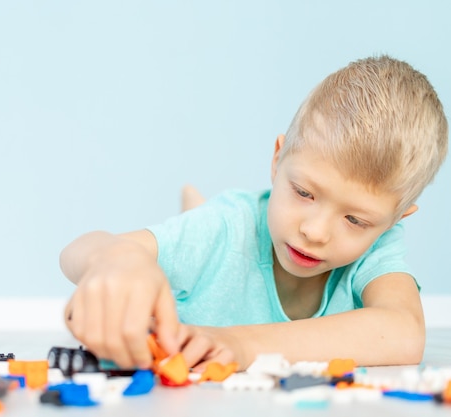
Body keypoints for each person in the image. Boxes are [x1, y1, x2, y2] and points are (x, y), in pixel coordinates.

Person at [59, 55, 448, 371]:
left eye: (355, 220)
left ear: (394, 220)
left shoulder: (377, 250)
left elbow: (404, 331)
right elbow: (76, 252)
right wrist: (118, 257)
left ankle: (200, 204)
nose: (315, 231)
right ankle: (193, 208)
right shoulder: (226, 229)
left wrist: (241, 344)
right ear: (278, 159)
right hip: (224, 229)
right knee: (206, 227)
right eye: (304, 193)